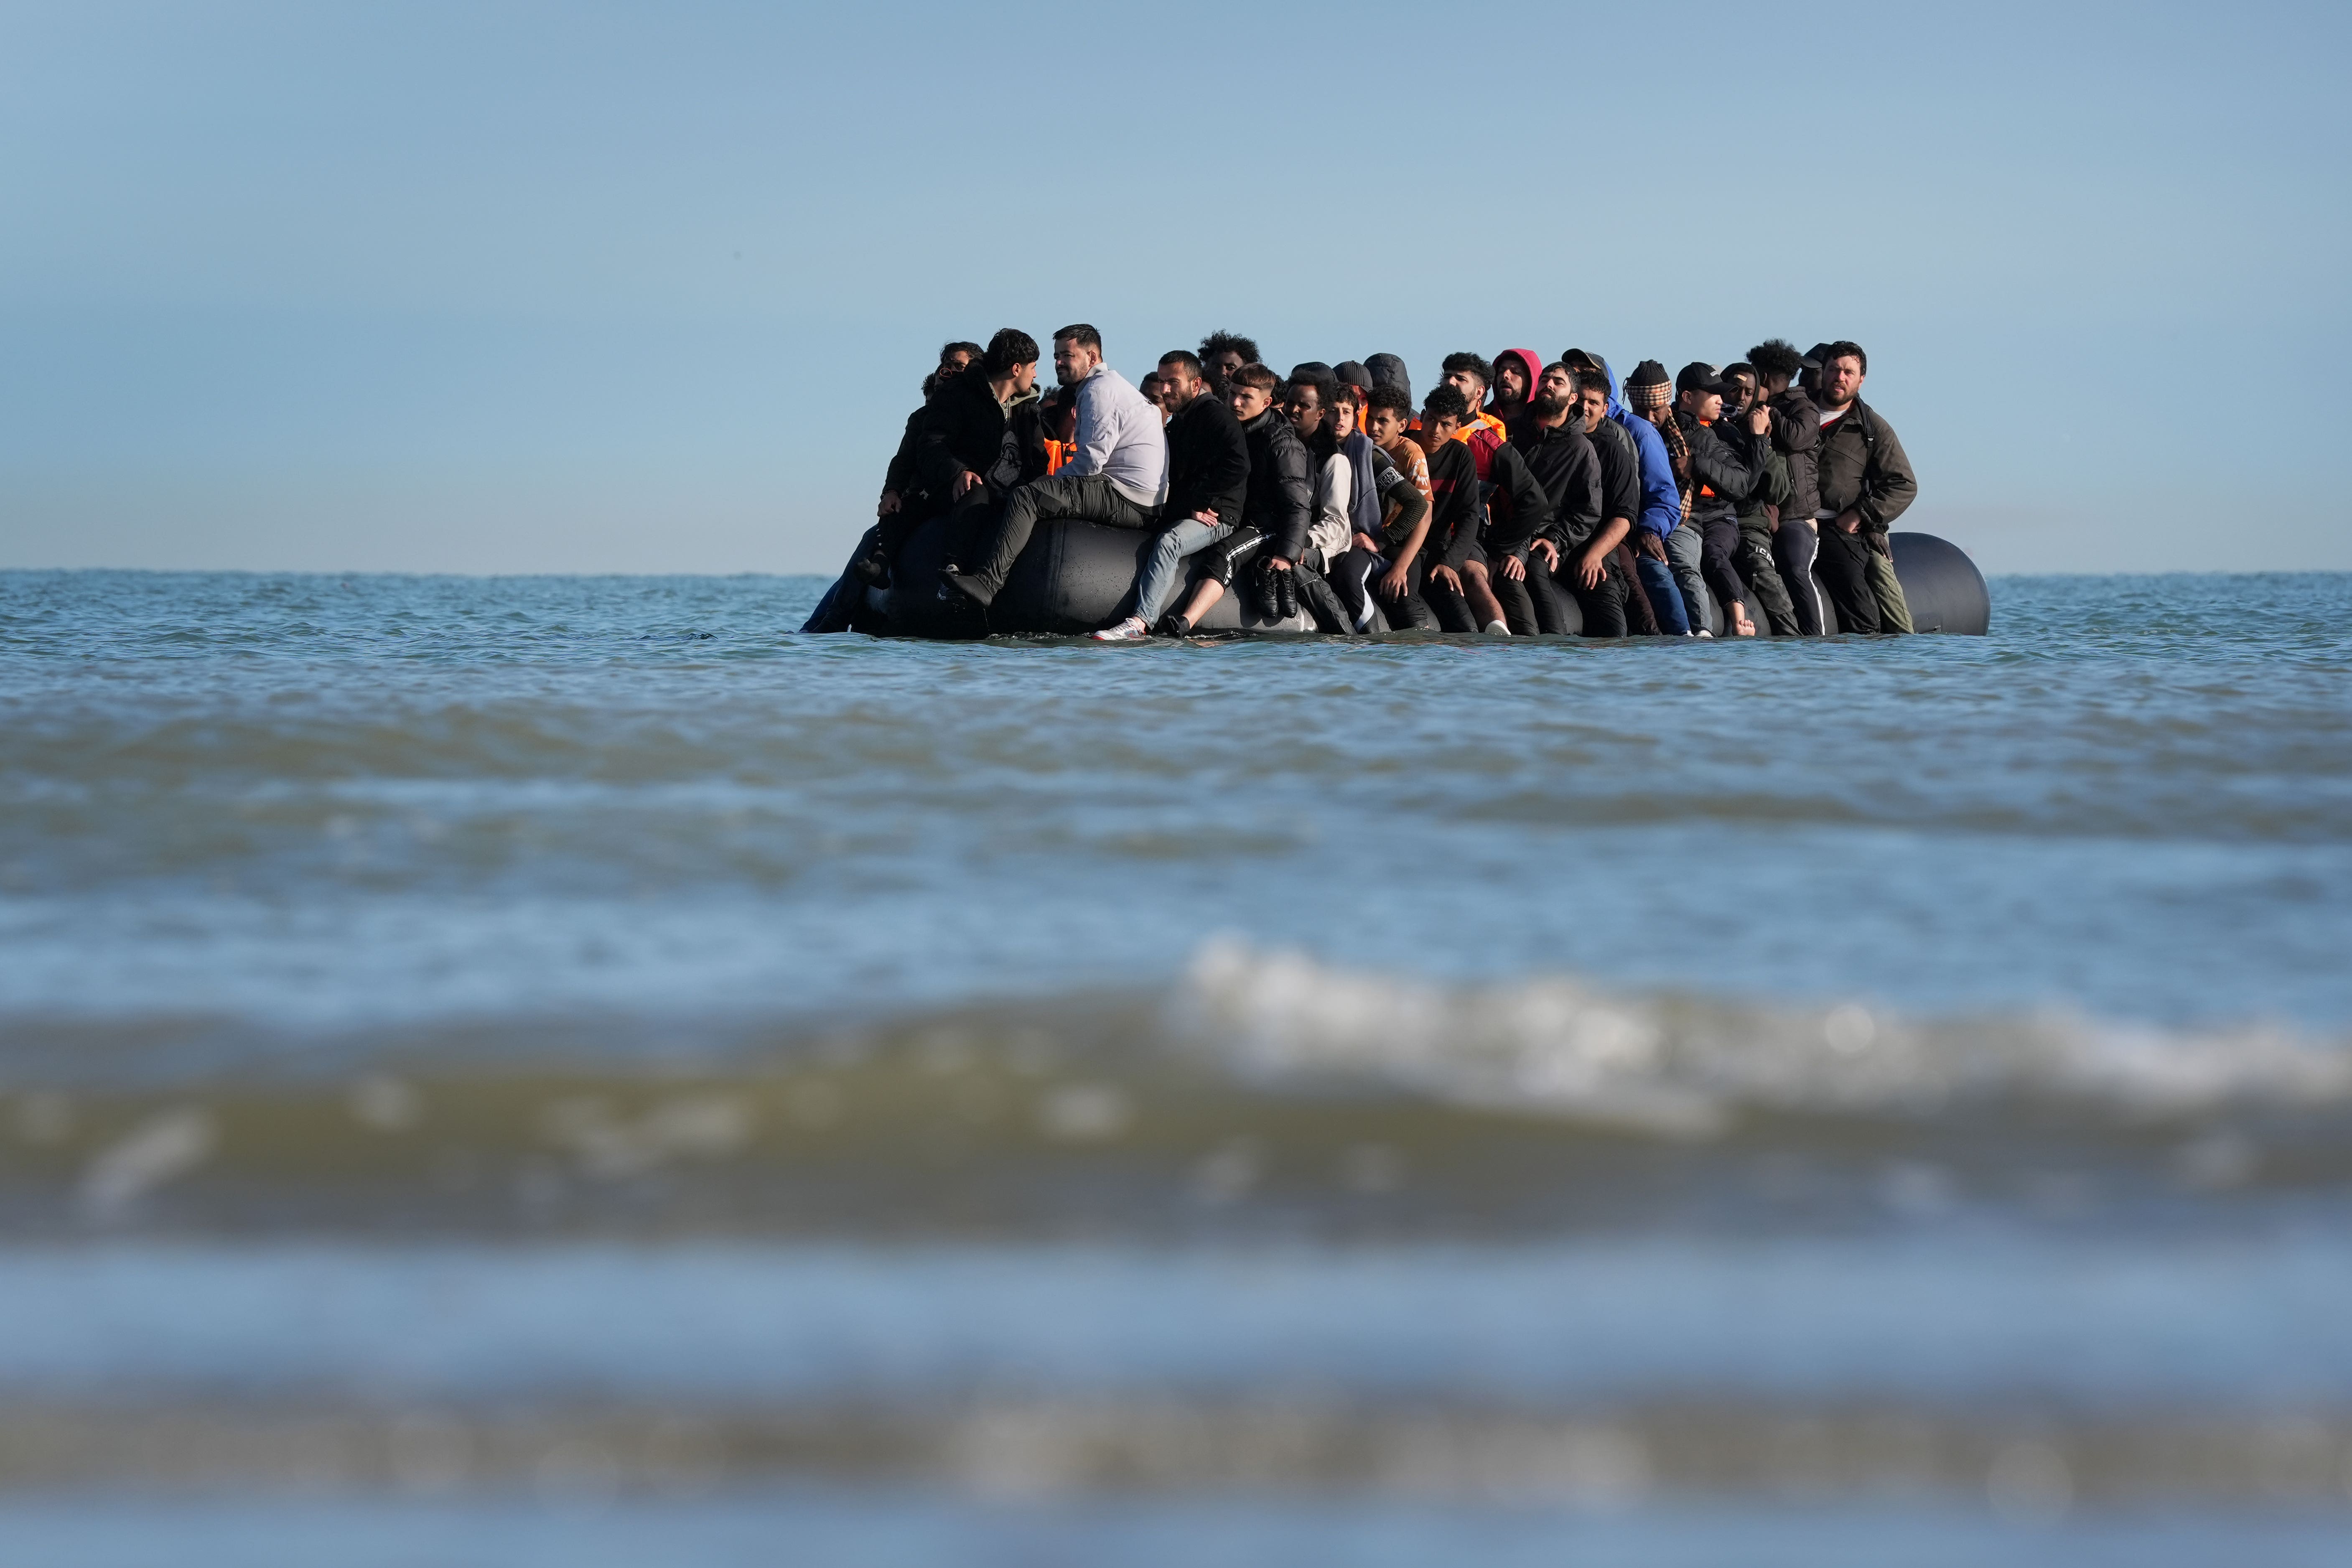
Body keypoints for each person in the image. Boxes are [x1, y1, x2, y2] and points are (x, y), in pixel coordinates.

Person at [942, 324, 1167, 611]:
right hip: (1134, 494)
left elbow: (1090, 464)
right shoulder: (1108, 386)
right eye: (1056, 356)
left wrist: (1045, 484)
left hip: (1128, 498)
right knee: (1035, 491)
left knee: (1027, 497)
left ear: (1092, 357)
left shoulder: (1100, 391)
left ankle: (988, 582)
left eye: (1067, 356)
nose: (1059, 363)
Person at [1093, 351, 1251, 641]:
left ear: (1195, 384)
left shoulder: (1216, 416)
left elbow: (1239, 465)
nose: (1165, 390)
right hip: (1188, 506)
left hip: (1219, 516)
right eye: (1162, 382)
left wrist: (1200, 502)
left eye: (1173, 383)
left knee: (1170, 541)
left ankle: (1140, 622)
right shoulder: (1179, 421)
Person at [1161, 363, 1311, 633]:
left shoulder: (1281, 442)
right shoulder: (1227, 429)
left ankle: (1185, 622)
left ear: (1266, 403)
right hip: (1234, 516)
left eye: (1246, 398)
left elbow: (1297, 504)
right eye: (1232, 394)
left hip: (1268, 524)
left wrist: (1287, 554)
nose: (1236, 402)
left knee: (1225, 553)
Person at [1565, 350, 1682, 635]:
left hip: (1628, 529)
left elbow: (1662, 493)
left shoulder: (1634, 431)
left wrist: (1650, 530)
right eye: (1574, 372)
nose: (1581, 377)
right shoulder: (1556, 428)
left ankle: (1682, 638)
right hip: (1573, 531)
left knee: (1645, 575)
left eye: (1588, 371)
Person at [850, 341, 983, 587]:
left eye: (959, 366)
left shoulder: (984, 411)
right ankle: (881, 564)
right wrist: (891, 492)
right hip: (928, 489)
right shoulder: (922, 417)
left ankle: (955, 567)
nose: (950, 372)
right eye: (946, 366)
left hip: (966, 486)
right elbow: (904, 459)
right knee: (898, 511)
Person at [1811, 340, 1919, 634]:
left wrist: (1861, 515)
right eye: (1834, 369)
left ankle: (1885, 653)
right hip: (1794, 523)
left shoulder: (1872, 428)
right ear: (1823, 372)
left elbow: (1904, 484)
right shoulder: (1797, 412)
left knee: (1860, 593)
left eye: (1848, 372)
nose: (1840, 377)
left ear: (1862, 379)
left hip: (1841, 528)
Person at [1511, 363, 1625, 636]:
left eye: (1558, 382)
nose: (1549, 384)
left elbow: (1589, 510)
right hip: (1511, 531)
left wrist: (1555, 539)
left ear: (1573, 398)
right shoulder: (1514, 433)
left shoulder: (1581, 448)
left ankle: (1555, 647)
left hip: (1555, 539)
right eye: (1545, 379)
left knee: (1536, 567)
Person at [1674, 362, 1771, 636]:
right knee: (1686, 559)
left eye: (1722, 394)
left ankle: (1739, 618)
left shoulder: (1727, 432)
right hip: (1688, 514)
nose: (1725, 399)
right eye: (1714, 393)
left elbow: (1745, 485)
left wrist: (1758, 439)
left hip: (1721, 515)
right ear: (1687, 397)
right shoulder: (1668, 429)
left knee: (1715, 554)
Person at [1413, 384, 1512, 633]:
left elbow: (1469, 516)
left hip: (1438, 550)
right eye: (1431, 420)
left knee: (1466, 626)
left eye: (1445, 424)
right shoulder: (1405, 447)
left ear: (1457, 427)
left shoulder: (1461, 456)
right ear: (1422, 416)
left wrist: (1450, 562)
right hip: (1403, 548)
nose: (1435, 430)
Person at [1622, 360, 1711, 635]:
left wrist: (1697, 465)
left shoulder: (1693, 433)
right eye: (1642, 410)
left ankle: (1700, 632)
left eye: (1656, 410)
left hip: (1689, 519)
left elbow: (1737, 479)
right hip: (1641, 523)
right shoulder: (1626, 432)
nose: (1649, 418)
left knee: (1677, 563)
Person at [1715, 361, 1802, 636]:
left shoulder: (1760, 433)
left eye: (1748, 393)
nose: (1741, 397)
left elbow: (1777, 492)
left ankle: (1791, 636)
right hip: (1712, 521)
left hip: (1748, 524)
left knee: (1762, 573)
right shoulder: (1708, 429)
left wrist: (1760, 442)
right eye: (1734, 389)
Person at [1748, 338, 1826, 634]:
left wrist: (1767, 409)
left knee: (1795, 569)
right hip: (1762, 514)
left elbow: (1795, 437)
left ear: (1765, 378)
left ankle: (1815, 637)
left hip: (1796, 517)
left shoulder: (1805, 408)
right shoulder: (1756, 409)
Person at [1487, 349, 1543, 425]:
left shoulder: (1543, 423)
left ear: (1531, 380)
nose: (1505, 375)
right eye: (1501, 371)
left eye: (1515, 372)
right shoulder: (1480, 420)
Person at [1198, 331, 1260, 399]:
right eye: (1217, 367)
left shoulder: (1254, 404)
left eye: (1230, 368)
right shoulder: (1193, 397)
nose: (1223, 372)